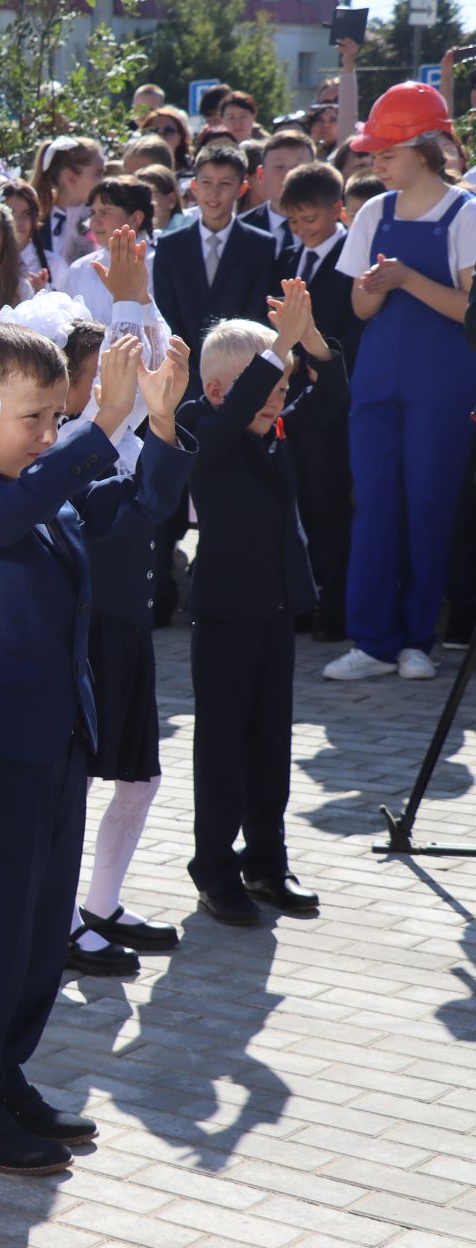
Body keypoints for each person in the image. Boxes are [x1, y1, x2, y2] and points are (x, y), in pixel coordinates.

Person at [0, 324, 195, 1176]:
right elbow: (9, 513)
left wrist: (154, 421)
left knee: (42, 931)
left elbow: (142, 506)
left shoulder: (45, 490)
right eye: (32, 417)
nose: (48, 433)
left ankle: (4, 1076)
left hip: (57, 739)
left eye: (55, 416)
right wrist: (99, 423)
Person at [36, 233, 192, 977]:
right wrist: (130, 299)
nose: (114, 388)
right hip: (84, 629)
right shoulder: (66, 444)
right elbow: (126, 403)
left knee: (141, 776)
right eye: (96, 378)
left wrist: (139, 297)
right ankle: (62, 921)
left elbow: (152, 372)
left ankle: (100, 902)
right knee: (72, 781)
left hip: (127, 622)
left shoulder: (113, 432)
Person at [185, 284, 343, 923]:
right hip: (224, 613)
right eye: (268, 380)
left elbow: (330, 396)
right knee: (222, 748)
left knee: (270, 743)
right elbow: (233, 416)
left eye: (281, 380)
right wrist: (276, 350)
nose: (281, 389)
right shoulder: (203, 429)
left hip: (276, 612)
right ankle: (215, 870)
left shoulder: (276, 431)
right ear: (222, 390)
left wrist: (309, 344)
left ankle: (266, 864)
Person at [325, 83, 476, 684]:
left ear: (423, 148)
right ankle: (373, 640)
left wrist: (408, 279)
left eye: (386, 153)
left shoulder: (466, 213)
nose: (375, 162)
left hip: (444, 386)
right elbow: (360, 311)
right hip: (378, 382)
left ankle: (417, 640)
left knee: (430, 505)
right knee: (375, 507)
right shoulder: (371, 212)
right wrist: (373, 287)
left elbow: (471, 310)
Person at [150, 144, 276, 627]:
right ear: (192, 187)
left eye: (226, 184)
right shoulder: (173, 246)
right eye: (206, 183)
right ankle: (161, 591)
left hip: (240, 387)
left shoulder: (261, 244)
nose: (214, 194)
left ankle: (223, 588)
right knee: (169, 483)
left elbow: (256, 319)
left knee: (232, 487)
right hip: (183, 382)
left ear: (242, 188)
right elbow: (167, 317)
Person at [279, 161, 361, 643]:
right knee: (301, 501)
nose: (302, 229)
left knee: (331, 504)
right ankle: (305, 601)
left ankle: (337, 607)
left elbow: (355, 324)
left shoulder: (353, 259)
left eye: (311, 219)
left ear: (338, 209)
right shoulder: (289, 258)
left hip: (333, 401)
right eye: (294, 220)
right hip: (293, 400)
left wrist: (325, 358)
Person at [65, 177, 156, 324]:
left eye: (105, 212)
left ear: (135, 218)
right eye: (93, 212)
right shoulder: (80, 268)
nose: (96, 220)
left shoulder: (157, 263)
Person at [241, 132, 318, 266]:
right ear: (261, 175)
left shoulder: (331, 229)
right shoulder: (240, 231)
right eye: (279, 167)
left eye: (297, 167)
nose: (288, 175)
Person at [31, 138, 105, 264]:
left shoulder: (106, 219)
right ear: (70, 177)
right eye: (98, 173)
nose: (103, 181)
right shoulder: (36, 223)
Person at [2, 182, 68, 291]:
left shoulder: (55, 265)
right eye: (11, 213)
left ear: (35, 217)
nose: (19, 221)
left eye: (27, 213)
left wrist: (42, 296)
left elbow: (68, 307)